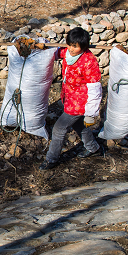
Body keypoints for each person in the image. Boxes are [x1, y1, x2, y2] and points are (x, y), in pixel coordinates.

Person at [39, 27, 102, 170]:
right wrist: (39, 46)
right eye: (69, 44)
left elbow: (94, 88)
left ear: (83, 46)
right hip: (68, 98)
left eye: (75, 46)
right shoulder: (67, 53)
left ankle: (51, 159)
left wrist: (91, 113)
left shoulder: (89, 62)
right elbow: (54, 52)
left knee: (59, 129)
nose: (71, 48)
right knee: (79, 124)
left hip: (80, 102)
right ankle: (93, 148)